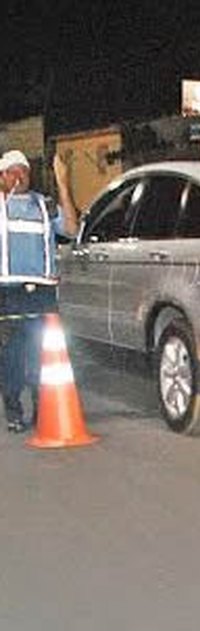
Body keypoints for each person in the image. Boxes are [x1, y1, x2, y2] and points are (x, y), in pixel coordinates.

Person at [0, 150, 79, 433]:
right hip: (7, 292)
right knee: (11, 357)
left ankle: (42, 408)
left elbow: (70, 228)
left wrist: (63, 184)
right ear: (2, 177)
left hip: (42, 292)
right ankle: (13, 410)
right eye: (12, 171)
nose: (19, 176)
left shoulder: (43, 205)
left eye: (23, 170)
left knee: (41, 354)